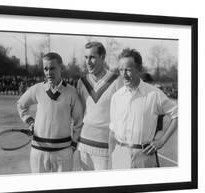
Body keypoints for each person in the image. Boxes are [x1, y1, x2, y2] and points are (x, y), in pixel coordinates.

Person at [109, 48, 178, 169]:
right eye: (121, 70)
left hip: (144, 158)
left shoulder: (155, 94)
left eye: (128, 70)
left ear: (139, 69)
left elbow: (177, 114)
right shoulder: (116, 97)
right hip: (119, 156)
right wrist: (111, 156)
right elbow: (112, 131)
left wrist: (161, 141)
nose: (124, 74)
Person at [17, 52, 83, 173]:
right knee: (39, 189)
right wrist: (31, 122)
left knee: (62, 190)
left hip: (63, 152)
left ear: (61, 68)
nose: (48, 72)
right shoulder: (37, 89)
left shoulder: (72, 92)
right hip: (38, 151)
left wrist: (73, 144)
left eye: (52, 68)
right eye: (45, 69)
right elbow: (21, 105)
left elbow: (79, 121)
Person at [75, 41, 122, 171]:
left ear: (102, 57)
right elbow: (79, 115)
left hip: (106, 147)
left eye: (92, 57)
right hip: (83, 145)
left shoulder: (117, 81)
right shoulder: (81, 82)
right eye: (86, 57)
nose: (88, 61)